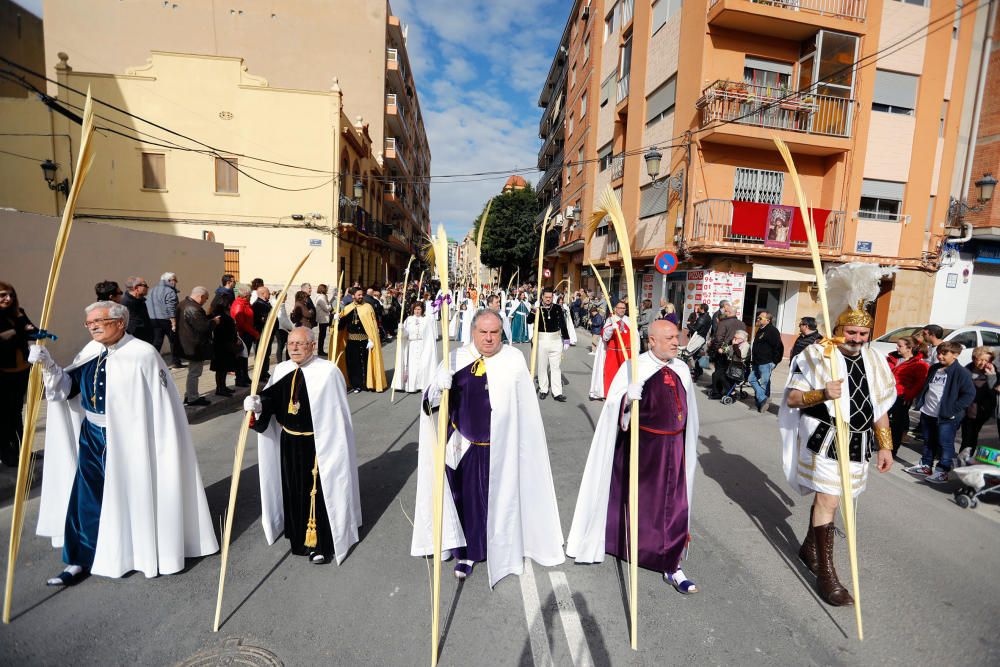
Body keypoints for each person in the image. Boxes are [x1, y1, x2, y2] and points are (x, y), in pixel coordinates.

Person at [28, 301, 218, 586]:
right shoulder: (91, 352)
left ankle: (137, 553)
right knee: (87, 499)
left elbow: (161, 408)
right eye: (88, 322)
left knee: (133, 496)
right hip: (93, 436)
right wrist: (48, 364)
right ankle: (81, 558)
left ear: (120, 322)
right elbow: (68, 389)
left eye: (98, 321)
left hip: (133, 440)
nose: (92, 326)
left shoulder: (143, 354)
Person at [410, 310, 564, 582]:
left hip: (502, 445)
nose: (490, 338)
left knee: (501, 500)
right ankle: (468, 551)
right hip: (463, 445)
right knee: (466, 500)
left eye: (495, 332)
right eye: (484, 332)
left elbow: (526, 410)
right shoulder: (455, 357)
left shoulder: (514, 360)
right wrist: (437, 387)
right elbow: (429, 405)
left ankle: (504, 548)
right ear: (473, 332)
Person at [778, 263, 897, 607]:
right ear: (839, 328)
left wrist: (885, 446)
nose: (858, 340)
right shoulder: (816, 356)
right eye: (852, 333)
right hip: (827, 440)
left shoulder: (875, 360)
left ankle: (807, 548)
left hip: (860, 443)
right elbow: (793, 398)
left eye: (863, 334)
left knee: (838, 499)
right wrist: (822, 394)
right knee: (830, 499)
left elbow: (881, 406)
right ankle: (826, 574)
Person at [568, 320, 701, 591]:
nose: (677, 342)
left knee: (673, 507)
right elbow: (613, 412)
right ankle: (625, 546)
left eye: (677, 337)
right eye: (670, 338)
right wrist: (627, 400)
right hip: (642, 448)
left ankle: (671, 564)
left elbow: (690, 415)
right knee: (637, 504)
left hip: (674, 449)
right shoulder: (634, 367)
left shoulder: (682, 369)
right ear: (651, 341)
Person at [244, 327, 361, 565]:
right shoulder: (283, 369)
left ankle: (319, 543)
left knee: (316, 492)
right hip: (289, 441)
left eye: (300, 343)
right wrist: (257, 405)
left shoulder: (327, 372)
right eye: (290, 344)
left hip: (317, 444)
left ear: (313, 345)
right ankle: (297, 534)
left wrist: (327, 444)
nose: (294, 348)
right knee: (293, 488)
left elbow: (336, 416)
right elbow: (271, 400)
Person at [906, 341, 976, 483]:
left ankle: (942, 471)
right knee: (928, 440)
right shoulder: (935, 368)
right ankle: (926, 465)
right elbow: (928, 387)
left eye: (944, 354)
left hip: (946, 416)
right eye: (938, 353)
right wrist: (921, 402)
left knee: (945, 444)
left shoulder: (962, 373)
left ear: (955, 355)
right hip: (928, 412)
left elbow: (969, 395)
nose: (940, 356)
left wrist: (952, 410)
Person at [0, 282, 36, 466]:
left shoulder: (18, 313)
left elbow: (34, 332)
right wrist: (21, 330)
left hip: (22, 371)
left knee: (17, 412)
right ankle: (8, 454)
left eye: (11, 295)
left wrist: (20, 325)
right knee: (5, 415)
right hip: (4, 373)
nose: (8, 299)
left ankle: (24, 451)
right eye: (3, 295)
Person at [334, 288, 386, 393]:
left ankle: (367, 383)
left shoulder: (368, 307)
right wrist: (336, 319)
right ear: (353, 296)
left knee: (366, 363)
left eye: (362, 295)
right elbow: (341, 327)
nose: (361, 296)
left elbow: (372, 325)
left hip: (365, 341)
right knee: (353, 364)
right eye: (359, 295)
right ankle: (356, 385)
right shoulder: (347, 309)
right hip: (352, 341)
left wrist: (372, 339)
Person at [885, 336, 929, 455]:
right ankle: (882, 445)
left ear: (909, 348)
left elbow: (920, 383)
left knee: (896, 425)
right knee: (881, 421)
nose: (897, 348)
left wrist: (908, 396)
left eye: (900, 346)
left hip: (901, 398)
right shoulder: (891, 359)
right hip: (885, 396)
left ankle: (892, 450)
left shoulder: (919, 364)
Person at [526, 287, 571, 402]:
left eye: (550, 297)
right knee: (542, 367)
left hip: (556, 340)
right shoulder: (537, 308)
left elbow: (562, 323)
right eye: (546, 297)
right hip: (542, 340)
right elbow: (529, 321)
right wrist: (533, 311)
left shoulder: (557, 308)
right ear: (542, 297)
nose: (548, 299)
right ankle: (543, 389)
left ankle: (557, 393)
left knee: (556, 367)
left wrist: (566, 339)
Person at [176, 286, 215, 406]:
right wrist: (214, 322)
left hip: (187, 343)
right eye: (206, 299)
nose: (205, 301)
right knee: (194, 373)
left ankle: (190, 395)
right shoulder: (193, 308)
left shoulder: (183, 304)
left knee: (192, 372)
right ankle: (192, 398)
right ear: (201, 296)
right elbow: (202, 327)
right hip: (194, 345)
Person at [392, 302, 438, 393]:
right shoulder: (409, 320)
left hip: (422, 345)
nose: (417, 311)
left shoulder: (426, 320)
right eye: (416, 309)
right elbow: (405, 335)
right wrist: (401, 329)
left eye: (419, 309)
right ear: (413, 310)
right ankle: (411, 386)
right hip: (411, 345)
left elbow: (429, 336)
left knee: (422, 365)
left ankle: (421, 385)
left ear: (422, 310)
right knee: (412, 366)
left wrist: (427, 348)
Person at [960, 347, 998, 457]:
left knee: (971, 436)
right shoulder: (967, 369)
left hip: (981, 411)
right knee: (966, 435)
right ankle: (964, 457)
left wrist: (991, 376)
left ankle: (965, 457)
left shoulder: (992, 371)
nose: (983, 363)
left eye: (987, 360)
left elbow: (994, 392)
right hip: (965, 408)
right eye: (980, 359)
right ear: (974, 358)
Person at [147, 272, 184, 368]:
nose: (176, 282)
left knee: (157, 341)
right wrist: (173, 322)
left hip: (153, 319)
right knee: (174, 340)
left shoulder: (152, 290)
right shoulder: (169, 291)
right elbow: (171, 307)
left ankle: (151, 362)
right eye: (175, 280)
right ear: (169, 281)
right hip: (166, 319)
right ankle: (176, 362)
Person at [749, 311, 784, 413]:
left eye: (760, 318)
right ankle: (763, 399)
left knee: (764, 383)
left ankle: (760, 404)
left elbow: (779, 347)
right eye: (758, 318)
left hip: (766, 362)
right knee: (751, 379)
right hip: (757, 361)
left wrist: (774, 362)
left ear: (768, 320)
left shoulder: (772, 331)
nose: (758, 319)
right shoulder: (760, 329)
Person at [209, 291, 239, 396]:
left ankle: (222, 387)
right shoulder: (222, 317)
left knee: (223, 368)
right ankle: (220, 388)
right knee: (221, 368)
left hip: (221, 345)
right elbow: (227, 331)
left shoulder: (219, 315)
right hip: (223, 345)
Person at [601, 301, 633, 397]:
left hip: (627, 352)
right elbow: (605, 336)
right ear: (615, 309)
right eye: (620, 308)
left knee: (626, 375)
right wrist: (611, 328)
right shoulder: (611, 320)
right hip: (614, 353)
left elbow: (635, 336)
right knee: (612, 373)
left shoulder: (629, 320)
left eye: (624, 308)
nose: (622, 310)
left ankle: (624, 394)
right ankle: (610, 394)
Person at [709, 302, 746, 383]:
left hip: (723, 351)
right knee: (729, 371)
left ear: (729, 312)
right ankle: (727, 389)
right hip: (736, 351)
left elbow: (718, 338)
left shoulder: (723, 323)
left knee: (719, 371)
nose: (724, 313)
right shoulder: (742, 324)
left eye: (725, 311)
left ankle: (718, 391)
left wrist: (716, 349)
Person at [231, 284, 258, 387]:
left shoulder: (245, 303)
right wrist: (254, 333)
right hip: (242, 335)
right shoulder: (239, 305)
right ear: (245, 295)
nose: (251, 296)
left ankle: (245, 377)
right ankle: (240, 378)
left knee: (245, 357)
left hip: (247, 334)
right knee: (241, 358)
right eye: (250, 294)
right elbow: (242, 323)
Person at [711, 330, 749, 399]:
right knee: (715, 374)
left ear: (741, 339)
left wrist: (735, 345)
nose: (734, 339)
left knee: (723, 377)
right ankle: (716, 392)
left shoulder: (746, 345)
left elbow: (740, 356)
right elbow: (727, 349)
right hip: (731, 366)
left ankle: (732, 392)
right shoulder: (735, 344)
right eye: (734, 337)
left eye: (736, 337)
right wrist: (722, 350)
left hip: (738, 369)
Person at [120, 276, 153, 343]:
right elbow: (131, 325)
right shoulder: (125, 303)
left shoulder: (140, 300)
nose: (147, 287)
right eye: (145, 285)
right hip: (136, 340)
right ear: (136, 288)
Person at [251, 285, 274, 380]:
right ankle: (260, 374)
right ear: (263, 294)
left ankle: (265, 371)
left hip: (267, 333)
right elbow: (262, 319)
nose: (270, 294)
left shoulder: (265, 303)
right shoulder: (258, 305)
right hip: (262, 333)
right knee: (261, 354)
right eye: (268, 293)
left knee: (266, 353)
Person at [315, 284, 332, 355]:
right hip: (323, 319)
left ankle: (321, 350)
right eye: (326, 289)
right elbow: (327, 308)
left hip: (324, 319)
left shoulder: (323, 297)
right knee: (322, 335)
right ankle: (320, 351)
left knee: (323, 335)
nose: (327, 290)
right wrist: (331, 305)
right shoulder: (321, 298)